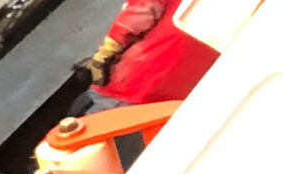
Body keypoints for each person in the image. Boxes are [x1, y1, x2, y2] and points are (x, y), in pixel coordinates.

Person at [72, 0, 219, 115]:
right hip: (183, 97)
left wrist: (108, 49)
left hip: (135, 85)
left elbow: (140, 11)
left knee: (82, 142)